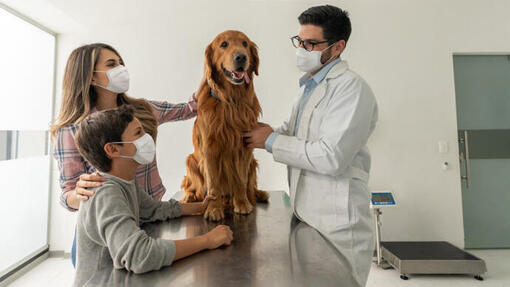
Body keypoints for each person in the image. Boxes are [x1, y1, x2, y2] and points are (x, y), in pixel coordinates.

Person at [243, 5, 378, 286]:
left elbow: (331, 156)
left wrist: (269, 140)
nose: (302, 49)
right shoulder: (309, 88)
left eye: (311, 44)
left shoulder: (352, 89)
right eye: (300, 41)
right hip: (306, 217)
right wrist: (253, 131)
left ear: (338, 47)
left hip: (338, 225)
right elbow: (292, 132)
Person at [50, 43, 202, 267]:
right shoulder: (71, 130)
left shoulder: (140, 110)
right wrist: (77, 193)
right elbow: (68, 195)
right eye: (112, 64)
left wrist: (210, 71)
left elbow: (190, 108)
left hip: (152, 219)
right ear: (91, 77)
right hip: (107, 237)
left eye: (121, 63)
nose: (122, 68)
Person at [72, 105, 233, 287]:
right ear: (113, 150)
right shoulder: (106, 193)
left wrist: (199, 206)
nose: (146, 138)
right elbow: (140, 255)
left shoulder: (125, 181)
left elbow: (152, 209)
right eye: (138, 133)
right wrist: (207, 240)